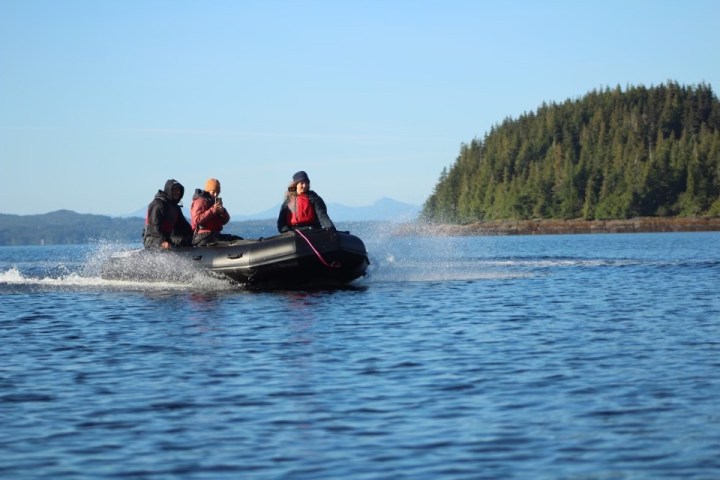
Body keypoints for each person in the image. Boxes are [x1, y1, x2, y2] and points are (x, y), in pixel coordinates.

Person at [191, 178, 243, 246]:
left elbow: (224, 221)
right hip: (203, 237)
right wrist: (213, 210)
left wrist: (223, 212)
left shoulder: (214, 202)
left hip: (215, 234)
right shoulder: (200, 201)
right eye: (213, 192)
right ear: (208, 190)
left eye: (217, 192)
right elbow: (197, 220)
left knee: (237, 239)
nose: (215, 194)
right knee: (225, 244)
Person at [143, 179, 193, 249]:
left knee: (186, 240)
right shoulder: (157, 204)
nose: (177, 192)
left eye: (178, 190)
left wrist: (193, 237)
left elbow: (184, 225)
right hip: (153, 239)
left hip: (167, 238)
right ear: (169, 190)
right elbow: (154, 226)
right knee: (179, 241)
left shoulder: (175, 207)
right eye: (174, 190)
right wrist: (162, 241)